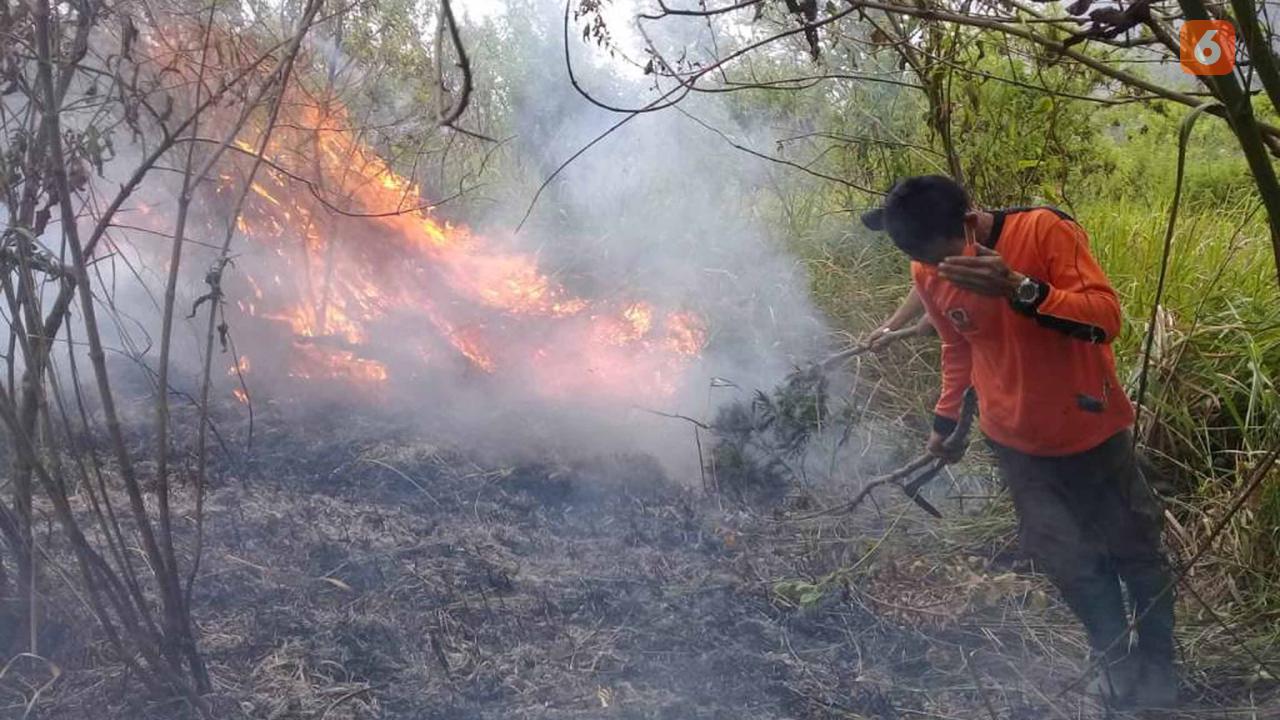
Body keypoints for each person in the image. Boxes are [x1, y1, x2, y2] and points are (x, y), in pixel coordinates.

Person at [860, 175, 1176, 708]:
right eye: (920, 262)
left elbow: (1106, 318)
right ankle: (1115, 661)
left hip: (1091, 434)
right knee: (1071, 565)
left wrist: (1019, 289)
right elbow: (957, 347)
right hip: (1015, 446)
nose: (934, 273)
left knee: (1137, 554)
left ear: (966, 225)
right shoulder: (926, 268)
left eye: (938, 258)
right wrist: (944, 422)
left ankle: (1161, 664)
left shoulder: (1044, 232)